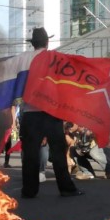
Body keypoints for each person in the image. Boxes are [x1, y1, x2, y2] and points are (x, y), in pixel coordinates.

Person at [20, 27, 83, 198]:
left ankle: (29, 190)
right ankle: (66, 188)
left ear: (33, 43)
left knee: (30, 153)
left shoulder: (23, 59)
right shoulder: (56, 59)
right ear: (47, 42)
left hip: (30, 113)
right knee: (58, 152)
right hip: (51, 112)